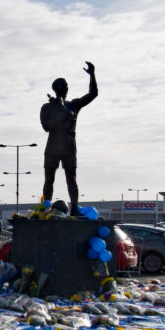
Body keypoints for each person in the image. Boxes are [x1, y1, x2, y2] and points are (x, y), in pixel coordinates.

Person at [40, 62, 98, 216]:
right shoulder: (47, 107)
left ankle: (74, 208)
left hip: (69, 147)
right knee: (49, 180)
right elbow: (46, 127)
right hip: (52, 147)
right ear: (55, 88)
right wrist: (60, 111)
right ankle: (46, 208)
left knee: (71, 180)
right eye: (61, 84)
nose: (64, 86)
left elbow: (93, 94)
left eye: (65, 84)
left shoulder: (74, 105)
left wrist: (92, 75)